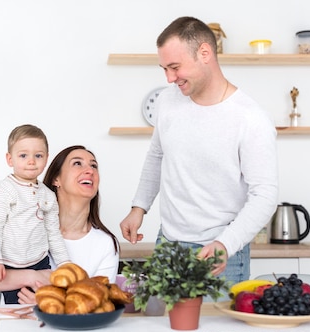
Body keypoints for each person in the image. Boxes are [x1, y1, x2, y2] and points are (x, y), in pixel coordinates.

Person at [119, 16, 278, 287]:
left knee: (218, 330)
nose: (169, 78)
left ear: (205, 53)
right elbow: (158, 155)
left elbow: (265, 195)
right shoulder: (169, 101)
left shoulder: (250, 119)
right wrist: (139, 207)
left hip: (220, 254)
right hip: (167, 245)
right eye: (164, 69)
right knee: (166, 329)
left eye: (175, 67)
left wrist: (225, 244)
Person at [0, 145, 120, 304]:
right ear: (57, 179)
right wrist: (32, 277)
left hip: (74, 331)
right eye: (77, 163)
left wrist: (52, 302)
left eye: (94, 165)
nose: (90, 170)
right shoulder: (20, 224)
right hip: (21, 326)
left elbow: (102, 302)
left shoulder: (106, 244)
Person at [0, 124, 71, 304]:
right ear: (10, 159)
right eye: (23, 155)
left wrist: (64, 264)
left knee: (43, 305)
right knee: (18, 309)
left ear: (46, 159)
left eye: (38, 156)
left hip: (40, 261)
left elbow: (53, 233)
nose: (31, 161)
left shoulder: (48, 195)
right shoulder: (2, 191)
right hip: (11, 264)